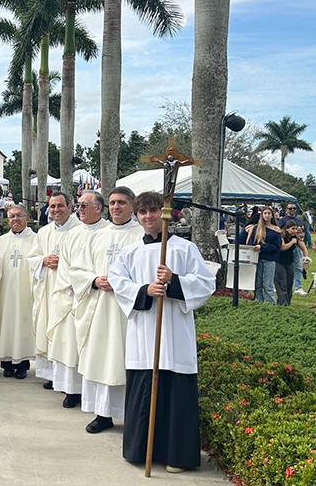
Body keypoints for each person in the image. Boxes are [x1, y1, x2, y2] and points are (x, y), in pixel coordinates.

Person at [108, 191, 216, 473]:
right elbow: (119, 282)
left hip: (174, 333)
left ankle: (176, 455)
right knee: (145, 388)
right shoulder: (131, 251)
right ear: (137, 215)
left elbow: (206, 283)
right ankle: (141, 451)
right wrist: (145, 290)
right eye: (142, 212)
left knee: (174, 391)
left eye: (153, 211)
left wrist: (174, 281)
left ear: (165, 213)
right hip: (145, 334)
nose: (148, 217)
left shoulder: (183, 248)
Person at [71, 188, 143, 433]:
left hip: (128, 312)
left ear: (132, 206)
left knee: (125, 359)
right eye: (112, 203)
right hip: (100, 307)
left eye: (122, 202)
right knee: (102, 358)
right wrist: (94, 280)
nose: (116, 207)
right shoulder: (98, 236)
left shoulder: (141, 236)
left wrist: (124, 285)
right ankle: (103, 414)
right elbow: (77, 269)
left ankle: (131, 415)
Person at [49, 191, 111, 408]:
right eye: (79, 206)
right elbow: (65, 267)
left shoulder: (109, 232)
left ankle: (93, 395)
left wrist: (93, 282)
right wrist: (74, 287)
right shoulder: (73, 234)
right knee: (71, 346)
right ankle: (72, 389)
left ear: (99, 208)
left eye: (85, 206)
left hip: (102, 298)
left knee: (97, 349)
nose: (80, 210)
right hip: (74, 296)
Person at [28, 192, 81, 390]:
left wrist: (66, 264)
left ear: (70, 206)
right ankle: (53, 375)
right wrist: (44, 260)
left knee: (67, 335)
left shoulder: (80, 230)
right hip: (49, 288)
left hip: (70, 291)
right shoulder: (44, 232)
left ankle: (72, 381)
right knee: (49, 330)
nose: (56, 210)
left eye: (60, 206)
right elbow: (32, 257)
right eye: (52, 207)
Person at [0, 204, 37, 379]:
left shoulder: (36, 240)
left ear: (27, 218)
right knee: (5, 326)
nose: (15, 219)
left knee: (23, 327)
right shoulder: (1, 241)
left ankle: (23, 365)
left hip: (25, 294)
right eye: (12, 216)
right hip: (6, 293)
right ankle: (6, 364)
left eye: (19, 215)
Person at [240, 207, 281, 304]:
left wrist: (262, 247)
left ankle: (270, 303)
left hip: (269, 259)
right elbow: (250, 242)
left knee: (268, 284)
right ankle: (258, 302)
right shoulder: (256, 228)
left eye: (269, 213)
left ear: (272, 215)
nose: (267, 215)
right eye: (265, 213)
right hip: (256, 258)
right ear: (261, 215)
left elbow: (276, 247)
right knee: (256, 283)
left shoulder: (276, 230)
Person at [278, 202, 308, 296]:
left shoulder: (299, 220)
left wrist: (306, 259)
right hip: (286, 247)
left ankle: (298, 287)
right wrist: (291, 241)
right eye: (290, 208)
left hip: (296, 246)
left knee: (298, 267)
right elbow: (280, 234)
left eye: (294, 208)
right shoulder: (282, 220)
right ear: (286, 210)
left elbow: (302, 234)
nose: (292, 210)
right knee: (282, 271)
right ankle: (280, 287)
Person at [275, 220, 303, 306]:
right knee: (281, 283)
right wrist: (292, 242)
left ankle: (287, 303)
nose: (295, 231)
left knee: (289, 284)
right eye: (293, 229)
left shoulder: (296, 237)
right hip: (279, 262)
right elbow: (283, 247)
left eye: (296, 229)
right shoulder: (282, 236)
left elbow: (304, 247)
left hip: (290, 262)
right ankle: (283, 303)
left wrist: (306, 258)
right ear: (287, 229)